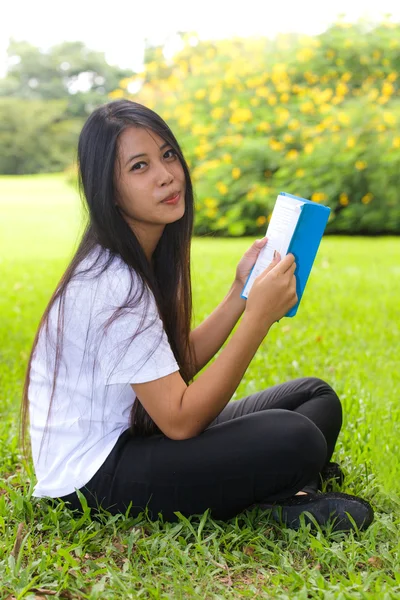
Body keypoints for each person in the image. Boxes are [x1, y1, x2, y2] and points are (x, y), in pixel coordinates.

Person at [20, 99, 374, 532]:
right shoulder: (111, 283)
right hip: (92, 478)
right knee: (296, 437)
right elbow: (181, 420)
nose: (166, 175)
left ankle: (273, 492)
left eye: (168, 155)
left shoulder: (137, 260)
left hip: (140, 436)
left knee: (315, 399)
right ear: (108, 190)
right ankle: (277, 492)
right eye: (139, 166)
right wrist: (257, 320)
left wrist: (239, 295)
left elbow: (174, 364)